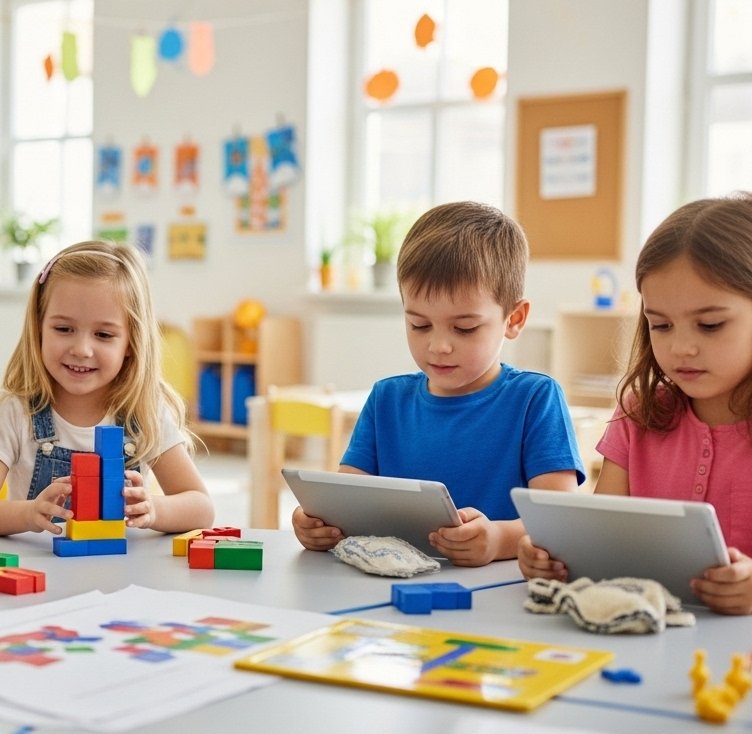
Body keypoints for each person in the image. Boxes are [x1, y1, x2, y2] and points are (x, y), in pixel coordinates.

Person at [292, 202, 584, 565]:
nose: (438, 346)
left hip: (495, 587)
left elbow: (559, 520)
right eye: (419, 325)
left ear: (514, 319)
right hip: (390, 584)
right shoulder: (386, 399)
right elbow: (344, 502)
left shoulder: (535, 398)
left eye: (464, 328)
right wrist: (317, 522)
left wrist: (499, 540)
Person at [520, 193, 752, 614]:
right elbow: (602, 537)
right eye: (660, 325)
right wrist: (553, 558)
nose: (681, 347)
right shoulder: (638, 412)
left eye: (710, 325)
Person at [0, 240, 214, 535]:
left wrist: (155, 509)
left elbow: (201, 508)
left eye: (103, 335)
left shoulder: (145, 411)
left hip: (120, 564)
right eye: (64, 329)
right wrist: (27, 514)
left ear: (132, 342)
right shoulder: (15, 412)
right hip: (40, 563)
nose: (81, 349)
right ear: (38, 329)